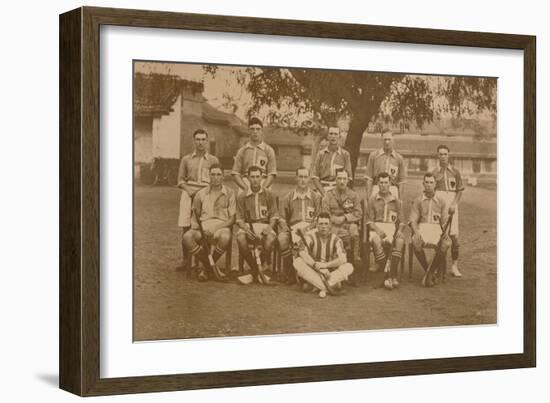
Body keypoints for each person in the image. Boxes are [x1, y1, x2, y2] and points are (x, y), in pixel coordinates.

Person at [182, 164, 236, 281]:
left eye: (218, 174)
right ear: (209, 176)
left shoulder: (230, 193)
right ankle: (211, 266)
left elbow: (232, 219)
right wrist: (197, 228)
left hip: (221, 226)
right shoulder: (200, 193)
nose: (215, 177)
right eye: (213, 174)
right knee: (187, 237)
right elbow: (195, 215)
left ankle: (205, 268)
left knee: (226, 237)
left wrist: (216, 228)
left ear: (223, 177)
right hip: (203, 226)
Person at [176, 129, 219, 268]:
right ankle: (185, 260)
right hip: (189, 195)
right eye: (198, 139)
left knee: (203, 227)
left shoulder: (213, 160)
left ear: (207, 141)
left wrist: (204, 194)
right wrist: (189, 191)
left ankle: (201, 260)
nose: (200, 142)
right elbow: (180, 180)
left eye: (203, 139)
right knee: (186, 227)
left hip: (206, 196)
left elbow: (216, 180)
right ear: (194, 141)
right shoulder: (186, 159)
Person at [277, 167, 322, 283]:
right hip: (293, 228)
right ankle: (290, 271)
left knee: (308, 241)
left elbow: (318, 218)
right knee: (282, 239)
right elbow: (281, 218)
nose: (303, 180)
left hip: (310, 228)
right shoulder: (288, 197)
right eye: (300, 177)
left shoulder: (316, 197)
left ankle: (309, 273)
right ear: (296, 178)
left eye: (305, 177)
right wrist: (288, 229)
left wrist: (307, 228)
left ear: (309, 179)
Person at [235, 165, 279, 285]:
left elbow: (274, 216)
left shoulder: (269, 194)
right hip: (248, 226)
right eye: (252, 177)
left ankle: (253, 272)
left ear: (262, 178)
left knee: (270, 239)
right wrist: (247, 230)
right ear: (248, 178)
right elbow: (239, 219)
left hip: (265, 225)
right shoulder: (242, 196)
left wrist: (269, 228)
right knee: (240, 238)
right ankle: (257, 270)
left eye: (257, 177)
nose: (255, 179)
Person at [293, 212, 353, 298]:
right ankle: (328, 286)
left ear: (330, 225)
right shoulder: (310, 236)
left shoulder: (336, 239)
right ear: (316, 225)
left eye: (326, 224)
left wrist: (324, 265)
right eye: (321, 224)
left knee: (349, 266)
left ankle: (316, 286)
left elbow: (343, 258)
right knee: (297, 262)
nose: (323, 226)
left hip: (329, 273)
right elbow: (302, 253)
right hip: (313, 270)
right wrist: (315, 265)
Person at [366, 172, 406, 289]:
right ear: (377, 184)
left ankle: (391, 275)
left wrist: (400, 230)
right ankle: (390, 275)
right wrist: (377, 229)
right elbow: (369, 221)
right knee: (376, 240)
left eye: (386, 183)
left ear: (390, 184)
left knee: (400, 241)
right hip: (377, 227)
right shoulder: (372, 199)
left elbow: (402, 221)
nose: (383, 185)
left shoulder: (397, 201)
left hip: (392, 227)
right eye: (381, 183)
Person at [321, 168, 362, 284]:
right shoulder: (328, 195)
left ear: (348, 180)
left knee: (354, 234)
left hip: (348, 225)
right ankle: (331, 269)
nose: (342, 181)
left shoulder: (353, 195)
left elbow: (359, 213)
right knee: (332, 238)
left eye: (344, 178)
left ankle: (354, 265)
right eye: (339, 178)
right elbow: (324, 213)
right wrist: (334, 219)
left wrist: (344, 218)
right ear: (335, 179)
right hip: (333, 226)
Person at [409, 173, 452, 278]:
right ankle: (428, 269)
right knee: (415, 241)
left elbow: (445, 221)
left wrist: (446, 232)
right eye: (427, 182)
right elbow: (413, 220)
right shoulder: (418, 200)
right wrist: (416, 231)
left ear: (435, 184)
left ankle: (431, 272)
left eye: (431, 182)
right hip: (423, 227)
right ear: (423, 184)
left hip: (436, 228)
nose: (429, 185)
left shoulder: (441, 201)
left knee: (446, 243)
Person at [432, 145, 464, 277]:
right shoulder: (434, 173)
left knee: (454, 237)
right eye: (441, 154)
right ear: (437, 156)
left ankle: (454, 266)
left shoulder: (455, 172)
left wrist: (454, 204)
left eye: (445, 154)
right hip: (439, 205)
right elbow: (431, 192)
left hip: (452, 205)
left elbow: (460, 190)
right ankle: (437, 265)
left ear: (448, 155)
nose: (443, 156)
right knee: (439, 235)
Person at [232, 116, 277, 192]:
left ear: (261, 131)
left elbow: (272, 173)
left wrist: (263, 188)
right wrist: (245, 188)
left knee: (265, 201)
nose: (255, 131)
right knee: (242, 201)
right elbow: (235, 173)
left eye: (258, 129)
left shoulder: (268, 150)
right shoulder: (242, 150)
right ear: (248, 131)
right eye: (252, 129)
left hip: (263, 182)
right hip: (246, 182)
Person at [364, 129, 407, 199]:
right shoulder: (373, 156)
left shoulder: (399, 158)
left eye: (389, 139)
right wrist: (368, 197)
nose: (387, 142)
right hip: (377, 187)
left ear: (393, 140)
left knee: (392, 209)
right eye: (385, 139)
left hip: (392, 188)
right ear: (381, 140)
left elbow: (401, 182)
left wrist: (400, 200)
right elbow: (369, 179)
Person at [311, 126, 352, 196]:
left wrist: (339, 191)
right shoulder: (321, 154)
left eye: (336, 134)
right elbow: (315, 177)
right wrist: (324, 194)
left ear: (339, 136)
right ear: (327, 136)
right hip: (323, 188)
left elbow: (348, 177)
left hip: (339, 189)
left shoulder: (345, 154)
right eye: (331, 134)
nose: (333, 136)